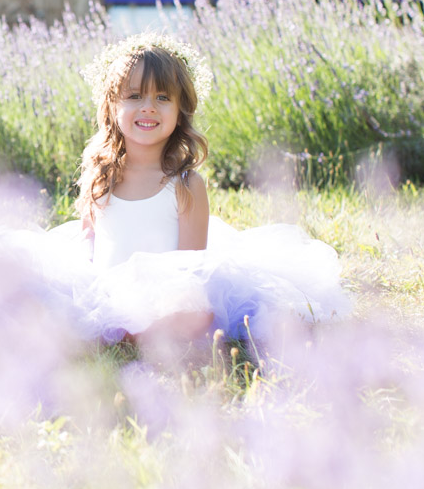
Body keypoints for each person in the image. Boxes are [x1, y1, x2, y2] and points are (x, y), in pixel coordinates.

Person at [63, 32, 349, 345]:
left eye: (162, 98)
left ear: (180, 109)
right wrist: (85, 293)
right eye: (134, 96)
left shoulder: (185, 185)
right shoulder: (101, 175)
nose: (148, 108)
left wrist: (155, 315)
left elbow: (190, 271)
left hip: (166, 298)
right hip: (105, 292)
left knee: (194, 319)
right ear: (111, 105)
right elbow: (88, 239)